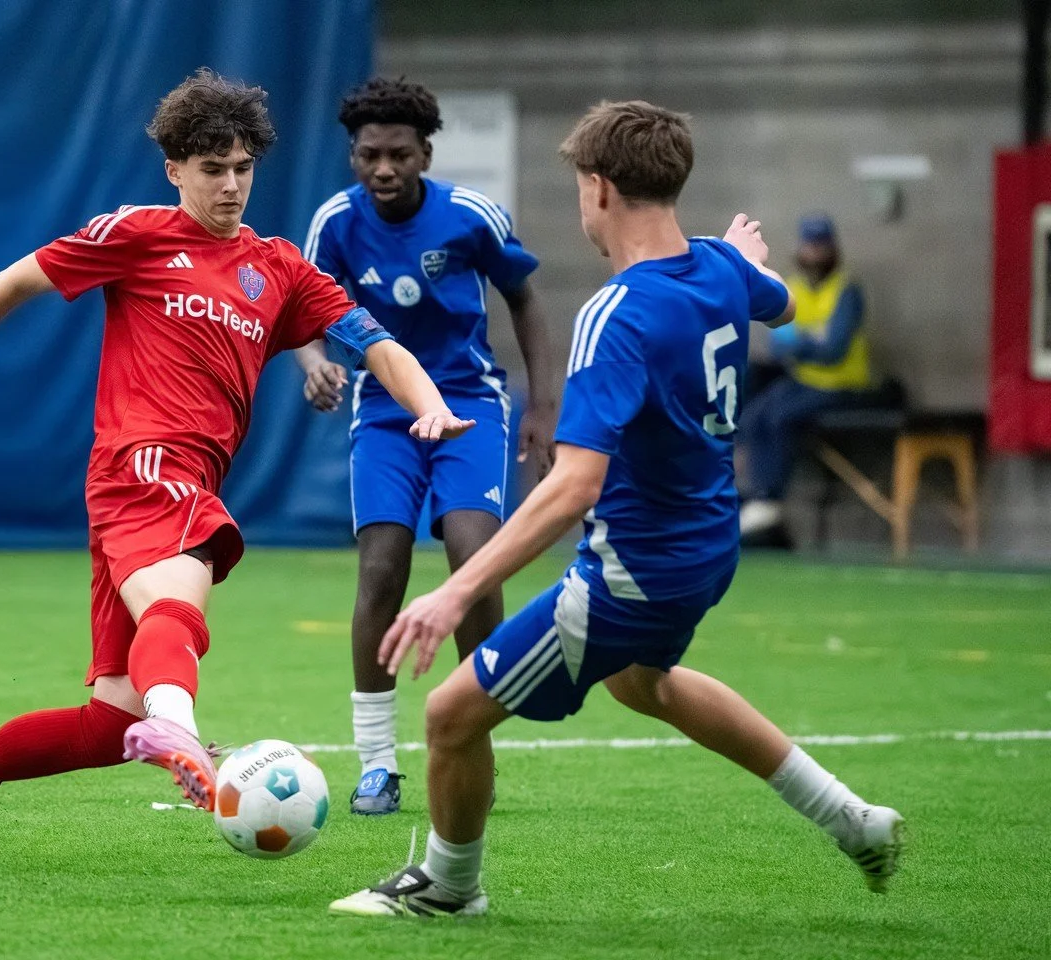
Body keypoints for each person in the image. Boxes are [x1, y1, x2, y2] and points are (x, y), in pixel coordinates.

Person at [0, 68, 476, 864]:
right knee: (184, 593)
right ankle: (181, 733)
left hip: (177, 478)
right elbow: (16, 281)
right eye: (212, 169)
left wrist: (427, 402)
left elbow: (376, 341)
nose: (231, 186)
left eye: (242, 168)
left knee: (110, 719)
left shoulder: (280, 267)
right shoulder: (137, 234)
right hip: (143, 462)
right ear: (175, 169)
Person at [330, 101, 904, 918]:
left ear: (598, 189)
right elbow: (773, 300)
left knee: (449, 714)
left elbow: (572, 487)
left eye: (577, 189)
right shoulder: (717, 267)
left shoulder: (616, 313)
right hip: (708, 549)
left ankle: (450, 889)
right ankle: (852, 819)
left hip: (631, 572)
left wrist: (457, 592)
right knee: (647, 687)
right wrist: (741, 259)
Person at [296, 77, 559, 816]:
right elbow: (302, 311)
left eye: (399, 155)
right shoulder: (335, 224)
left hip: (469, 407)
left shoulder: (469, 216)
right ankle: (377, 763)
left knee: (474, 559)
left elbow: (526, 298)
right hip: (384, 412)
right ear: (353, 155)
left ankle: (471, 735)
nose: (383, 169)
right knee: (381, 568)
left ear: (425, 154)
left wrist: (541, 405)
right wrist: (315, 361)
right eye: (369, 155)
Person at [738, 213, 873, 541]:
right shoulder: (793, 286)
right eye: (809, 245)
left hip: (843, 386)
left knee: (782, 416)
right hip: (805, 381)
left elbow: (835, 349)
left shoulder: (846, 290)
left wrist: (800, 340)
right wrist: (813, 339)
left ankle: (770, 499)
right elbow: (777, 343)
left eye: (820, 245)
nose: (814, 252)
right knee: (755, 416)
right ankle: (751, 497)